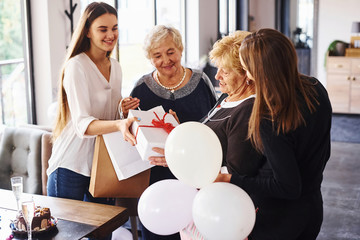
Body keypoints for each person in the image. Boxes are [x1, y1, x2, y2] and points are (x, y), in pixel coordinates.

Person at [216, 28, 332, 240]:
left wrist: (232, 179)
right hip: (313, 210)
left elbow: (288, 186)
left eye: (245, 67)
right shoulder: (316, 88)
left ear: (256, 70)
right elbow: (324, 151)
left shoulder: (269, 115)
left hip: (277, 220)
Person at [130, 25, 218, 240]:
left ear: (180, 50)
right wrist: (124, 113)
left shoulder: (201, 82)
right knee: (158, 230)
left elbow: (215, 125)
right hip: (155, 176)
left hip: (194, 173)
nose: (166, 60)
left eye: (170, 52)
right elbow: (132, 131)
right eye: (157, 55)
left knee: (195, 230)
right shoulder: (141, 87)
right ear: (150, 58)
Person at [47, 2, 139, 205]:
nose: (111, 35)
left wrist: (120, 109)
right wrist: (118, 124)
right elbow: (82, 125)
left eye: (114, 28)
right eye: (103, 29)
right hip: (70, 166)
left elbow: (109, 116)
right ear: (87, 32)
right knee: (67, 236)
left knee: (103, 234)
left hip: (100, 164)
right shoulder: (76, 66)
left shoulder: (115, 67)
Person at [179, 30, 265, 240]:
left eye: (225, 72)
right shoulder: (226, 98)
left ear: (247, 73)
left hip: (219, 211)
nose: (216, 76)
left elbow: (236, 172)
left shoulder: (248, 110)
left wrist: (190, 162)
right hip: (202, 200)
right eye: (217, 69)